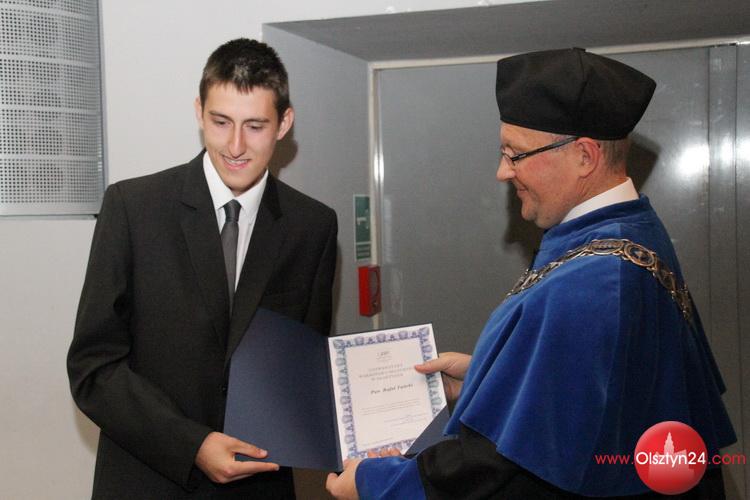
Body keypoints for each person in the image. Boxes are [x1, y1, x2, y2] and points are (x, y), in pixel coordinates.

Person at [326, 47, 736, 498]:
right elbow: (589, 390)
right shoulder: (632, 233)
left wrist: (373, 483)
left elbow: (499, 466)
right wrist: (489, 377)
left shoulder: (594, 282)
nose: (502, 172)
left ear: (584, 156)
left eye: (515, 154)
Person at [67, 38, 337, 498]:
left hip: (259, 485)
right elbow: (93, 367)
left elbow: (304, 367)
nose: (235, 145)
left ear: (284, 123)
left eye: (255, 126)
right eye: (221, 122)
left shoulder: (313, 225)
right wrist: (191, 444)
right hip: (147, 482)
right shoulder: (133, 208)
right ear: (199, 112)